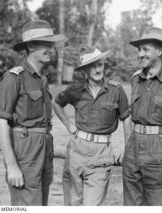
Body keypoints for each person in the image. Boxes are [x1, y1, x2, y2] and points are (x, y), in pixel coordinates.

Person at [0, 20, 66, 205]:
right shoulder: (14, 78)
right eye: (47, 43)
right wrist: (11, 166)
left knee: (41, 203)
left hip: (44, 147)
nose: (52, 49)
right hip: (25, 151)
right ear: (31, 45)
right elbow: (1, 124)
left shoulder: (41, 79)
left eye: (52, 44)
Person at [53, 47, 132, 206]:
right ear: (85, 70)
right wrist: (69, 126)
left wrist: (128, 149)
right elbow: (56, 103)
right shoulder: (75, 89)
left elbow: (127, 119)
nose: (97, 69)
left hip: (101, 155)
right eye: (92, 66)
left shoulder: (116, 90)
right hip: (76, 151)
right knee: (72, 204)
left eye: (100, 64)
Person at [122, 27, 162, 205]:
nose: (141, 54)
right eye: (139, 50)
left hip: (161, 147)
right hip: (134, 147)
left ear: (159, 52)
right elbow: (129, 115)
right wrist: (129, 145)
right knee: (131, 204)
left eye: (146, 50)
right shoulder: (135, 78)